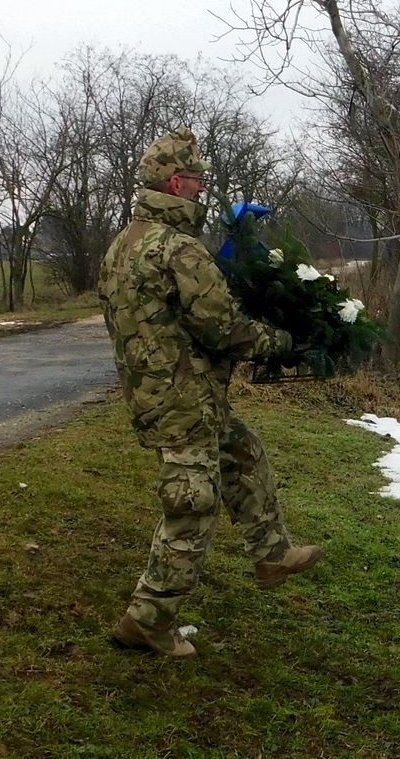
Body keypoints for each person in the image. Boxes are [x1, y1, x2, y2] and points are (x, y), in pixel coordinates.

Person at [97, 127, 320, 658]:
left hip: (167, 396)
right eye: (197, 178)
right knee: (192, 508)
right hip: (183, 403)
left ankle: (271, 553)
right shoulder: (177, 249)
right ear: (177, 182)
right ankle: (148, 620)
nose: (202, 187)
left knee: (243, 453)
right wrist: (284, 341)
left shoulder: (122, 244)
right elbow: (224, 330)